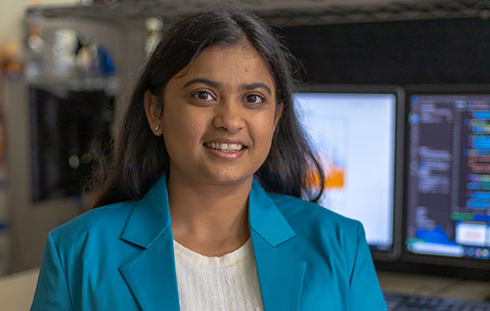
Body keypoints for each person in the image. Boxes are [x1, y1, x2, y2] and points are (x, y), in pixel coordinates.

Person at [31, 9, 387, 311]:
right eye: (204, 95)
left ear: (276, 119)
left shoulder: (341, 244)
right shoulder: (76, 252)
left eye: (253, 99)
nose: (230, 121)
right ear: (156, 110)